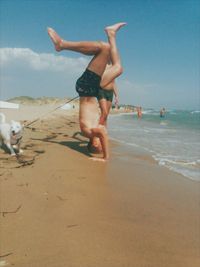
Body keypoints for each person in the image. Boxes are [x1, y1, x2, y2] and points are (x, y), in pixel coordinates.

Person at [47, 22, 126, 161]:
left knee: (103, 48)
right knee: (118, 68)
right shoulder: (93, 130)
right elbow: (102, 121)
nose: (101, 144)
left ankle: (62, 44)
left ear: (94, 143)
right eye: (101, 146)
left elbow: (101, 132)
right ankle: (111, 34)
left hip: (87, 88)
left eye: (98, 146)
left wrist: (105, 157)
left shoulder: (90, 132)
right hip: (91, 89)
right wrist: (104, 116)